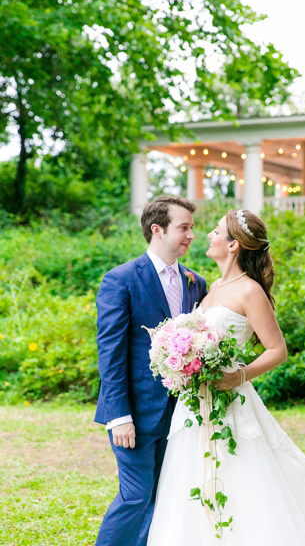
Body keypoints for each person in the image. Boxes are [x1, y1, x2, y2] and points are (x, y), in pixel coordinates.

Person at [146, 209, 305, 546]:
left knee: (240, 477)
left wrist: (240, 376)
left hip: (230, 400)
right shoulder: (213, 287)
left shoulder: (250, 291)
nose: (207, 235)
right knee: (191, 476)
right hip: (195, 404)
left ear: (233, 245)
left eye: (216, 231)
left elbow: (277, 350)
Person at [94, 195, 207, 546]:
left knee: (162, 497)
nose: (191, 235)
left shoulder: (196, 282)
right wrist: (118, 416)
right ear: (157, 230)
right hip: (137, 414)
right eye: (184, 228)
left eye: (192, 228)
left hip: (182, 414)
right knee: (135, 496)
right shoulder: (121, 280)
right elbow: (110, 353)